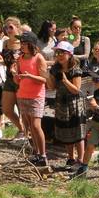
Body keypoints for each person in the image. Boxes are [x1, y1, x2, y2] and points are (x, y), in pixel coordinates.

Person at [49, 41, 86, 167]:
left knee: (77, 133)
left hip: (74, 103)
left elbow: (76, 89)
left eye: (62, 52)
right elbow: (52, 87)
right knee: (65, 132)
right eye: (57, 52)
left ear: (69, 54)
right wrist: (48, 75)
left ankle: (80, 160)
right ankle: (71, 158)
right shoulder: (56, 69)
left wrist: (65, 80)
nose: (59, 55)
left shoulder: (75, 69)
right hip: (61, 103)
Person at [15, 31, 48, 166]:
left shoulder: (39, 58)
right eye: (21, 43)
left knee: (36, 125)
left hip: (36, 96)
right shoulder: (19, 59)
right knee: (29, 126)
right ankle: (36, 153)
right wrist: (15, 75)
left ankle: (43, 155)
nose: (21, 46)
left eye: (24, 43)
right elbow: (18, 80)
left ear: (31, 44)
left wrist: (30, 76)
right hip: (23, 94)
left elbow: (44, 79)